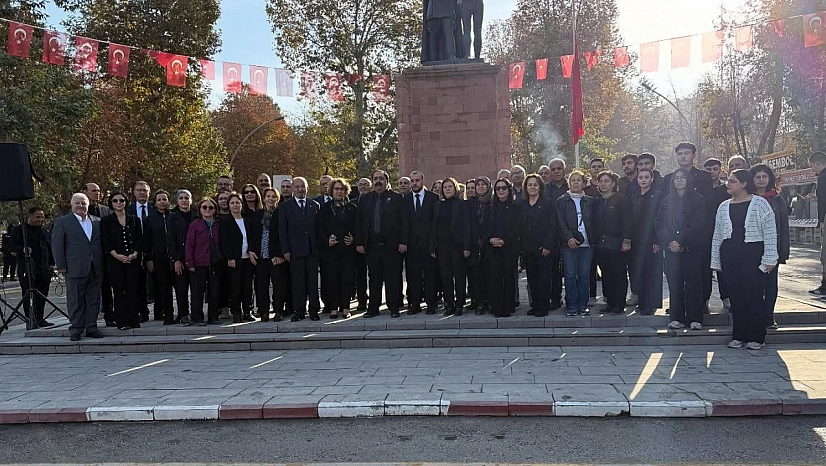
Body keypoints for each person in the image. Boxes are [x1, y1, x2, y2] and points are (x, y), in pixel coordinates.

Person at [711, 169, 778, 350]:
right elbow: (717, 235)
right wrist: (715, 260)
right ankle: (738, 335)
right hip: (730, 254)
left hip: (753, 252)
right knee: (736, 296)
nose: (728, 184)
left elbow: (770, 232)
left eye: (732, 181)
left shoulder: (760, 204)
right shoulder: (723, 206)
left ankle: (757, 336)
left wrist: (770, 257)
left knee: (754, 295)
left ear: (743, 184)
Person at [656, 168, 706, 331]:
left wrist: (680, 239)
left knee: (693, 282)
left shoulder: (698, 199)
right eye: (676, 178)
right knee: (674, 283)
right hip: (671, 249)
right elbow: (659, 223)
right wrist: (669, 241)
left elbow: (698, 225)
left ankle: (695, 318)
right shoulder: (666, 200)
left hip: (692, 247)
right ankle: (677, 317)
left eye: (682, 177)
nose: (679, 180)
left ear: (688, 180)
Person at [356, 170, 409, 318]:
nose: (378, 181)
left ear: (387, 181)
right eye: (375, 179)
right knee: (374, 278)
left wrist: (403, 241)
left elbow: (405, 222)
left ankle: (393, 307)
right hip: (372, 246)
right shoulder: (365, 199)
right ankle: (373, 307)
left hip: (392, 246)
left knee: (392, 277)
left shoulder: (397, 198)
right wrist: (360, 243)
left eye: (381, 179)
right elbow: (359, 223)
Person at [52, 193, 105, 341]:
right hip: (74, 268)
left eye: (83, 203)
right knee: (75, 300)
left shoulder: (97, 222)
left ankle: (91, 327)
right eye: (77, 203)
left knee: (93, 299)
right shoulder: (63, 222)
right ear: (71, 204)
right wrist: (61, 266)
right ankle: (76, 329)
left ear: (88, 205)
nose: (81, 206)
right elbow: (57, 245)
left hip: (95, 267)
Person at [751, 164, 789, 328]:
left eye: (764, 177)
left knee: (771, 284)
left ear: (769, 179)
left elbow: (783, 226)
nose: (761, 180)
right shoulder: (747, 197)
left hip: (772, 247)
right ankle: (754, 316)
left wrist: (783, 252)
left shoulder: (777, 199)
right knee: (753, 284)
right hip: (751, 247)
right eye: (757, 177)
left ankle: (768, 316)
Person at [279, 177, 322, 321]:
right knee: (298, 283)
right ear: (292, 189)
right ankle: (299, 311)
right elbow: (283, 230)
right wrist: (286, 250)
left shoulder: (314, 205)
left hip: (312, 250)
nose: (300, 189)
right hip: (295, 251)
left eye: (302, 186)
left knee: (312, 282)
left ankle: (314, 310)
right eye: (296, 187)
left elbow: (319, 228)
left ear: (307, 188)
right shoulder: (285, 207)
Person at [100, 191, 143, 331]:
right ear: (111, 203)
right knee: (119, 290)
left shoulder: (135, 219)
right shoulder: (106, 221)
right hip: (115, 261)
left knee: (132, 289)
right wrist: (117, 255)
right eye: (115, 201)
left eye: (121, 200)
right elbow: (106, 242)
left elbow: (139, 239)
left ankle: (133, 319)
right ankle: (122, 320)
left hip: (132, 259)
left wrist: (135, 253)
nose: (119, 203)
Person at [593, 171, 633, 315]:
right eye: (601, 181)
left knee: (619, 274)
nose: (603, 184)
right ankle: (609, 302)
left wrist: (626, 240)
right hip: (601, 245)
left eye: (606, 181)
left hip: (617, 243)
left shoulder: (622, 199)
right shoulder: (597, 201)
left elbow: (628, 221)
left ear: (613, 183)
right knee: (606, 275)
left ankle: (619, 304)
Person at [317, 178, 359, 319]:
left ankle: (346, 308)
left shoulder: (352, 208)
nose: (339, 191)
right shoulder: (324, 208)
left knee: (347, 279)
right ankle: (333, 308)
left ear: (346, 191)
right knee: (332, 279)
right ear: (331, 191)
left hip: (347, 250)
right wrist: (326, 240)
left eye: (341, 189)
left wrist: (353, 239)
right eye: (336, 189)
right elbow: (319, 229)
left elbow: (358, 227)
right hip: (330, 251)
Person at [431, 177, 471, 316]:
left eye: (450, 187)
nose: (448, 189)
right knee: (446, 276)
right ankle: (449, 304)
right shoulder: (437, 205)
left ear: (455, 189)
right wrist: (433, 247)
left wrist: (467, 247)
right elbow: (433, 228)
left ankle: (460, 304)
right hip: (442, 247)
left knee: (459, 276)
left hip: (458, 246)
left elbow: (467, 227)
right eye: (445, 187)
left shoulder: (462, 205)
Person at [248, 187, 289, 322]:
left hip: (275, 256)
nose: (270, 199)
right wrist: (252, 250)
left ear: (277, 199)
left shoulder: (281, 213)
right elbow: (252, 235)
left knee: (278, 285)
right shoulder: (257, 214)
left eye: (273, 196)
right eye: (268, 196)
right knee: (261, 286)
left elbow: (283, 235)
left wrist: (281, 255)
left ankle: (278, 311)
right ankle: (264, 312)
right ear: (264, 198)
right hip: (261, 256)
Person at [10, 207, 55, 328]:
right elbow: (11, 246)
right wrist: (22, 249)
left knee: (43, 293)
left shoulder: (43, 230)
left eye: (42, 217)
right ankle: (31, 320)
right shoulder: (19, 230)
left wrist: (52, 263)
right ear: (30, 216)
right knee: (29, 294)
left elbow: (49, 247)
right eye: (37, 217)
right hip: (27, 268)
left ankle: (40, 318)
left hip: (43, 268)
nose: (40, 220)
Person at [557, 171, 594, 316]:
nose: (576, 183)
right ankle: (571, 305)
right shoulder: (561, 201)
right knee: (570, 274)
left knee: (584, 274)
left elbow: (595, 221)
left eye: (579, 180)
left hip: (587, 244)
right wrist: (568, 238)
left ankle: (583, 304)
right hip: (569, 244)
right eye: (573, 180)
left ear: (584, 183)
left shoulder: (590, 201)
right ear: (569, 183)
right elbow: (560, 222)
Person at [522, 174, 558, 317]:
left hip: (544, 249)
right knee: (532, 279)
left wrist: (548, 245)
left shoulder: (548, 203)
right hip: (528, 249)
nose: (532, 187)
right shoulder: (523, 205)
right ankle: (535, 305)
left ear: (540, 187)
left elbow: (552, 226)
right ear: (526, 187)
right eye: (529, 185)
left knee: (544, 279)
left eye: (535, 185)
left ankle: (543, 307)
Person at [405, 171, 440, 315]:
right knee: (413, 275)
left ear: (423, 181)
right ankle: (415, 303)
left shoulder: (434, 198)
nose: (414, 183)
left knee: (430, 274)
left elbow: (436, 223)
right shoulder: (405, 199)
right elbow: (404, 223)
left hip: (428, 244)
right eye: (412, 181)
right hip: (412, 245)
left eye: (417, 180)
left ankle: (431, 303)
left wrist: (434, 244)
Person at [630, 168, 663, 315]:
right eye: (640, 177)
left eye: (646, 177)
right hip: (637, 241)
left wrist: (657, 239)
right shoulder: (634, 197)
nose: (643, 179)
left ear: (652, 179)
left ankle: (651, 304)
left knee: (652, 273)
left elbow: (660, 219)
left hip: (652, 241)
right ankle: (642, 303)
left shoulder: (658, 196)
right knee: (639, 273)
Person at [487, 177, 522, 318]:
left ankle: (508, 305)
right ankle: (497, 306)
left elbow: (517, 227)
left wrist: (505, 241)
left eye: (504, 188)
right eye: (498, 188)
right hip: (493, 247)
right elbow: (486, 226)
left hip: (509, 247)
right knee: (495, 277)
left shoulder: (516, 207)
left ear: (509, 190)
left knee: (508, 277)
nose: (501, 191)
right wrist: (491, 239)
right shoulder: (491, 207)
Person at [221, 192, 257, 323]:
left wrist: (252, 250)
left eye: (237, 202)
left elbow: (253, 238)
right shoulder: (225, 222)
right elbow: (224, 242)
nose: (235, 205)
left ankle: (248, 311)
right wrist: (230, 257)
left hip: (248, 259)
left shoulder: (248, 220)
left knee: (248, 287)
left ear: (242, 204)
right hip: (234, 260)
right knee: (235, 287)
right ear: (229, 205)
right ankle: (236, 313)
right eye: (232, 203)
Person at [186, 197, 222, 325]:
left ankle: (213, 316)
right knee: (197, 291)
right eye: (204, 207)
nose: (207, 209)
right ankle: (197, 317)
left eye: (210, 207)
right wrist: (190, 262)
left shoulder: (218, 224)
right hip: (198, 263)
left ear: (214, 210)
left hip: (215, 263)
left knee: (214, 291)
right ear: (200, 210)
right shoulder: (195, 225)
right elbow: (189, 245)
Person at [703, 158, 732, 309]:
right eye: (708, 169)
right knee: (705, 268)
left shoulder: (726, 190)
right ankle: (704, 298)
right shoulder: (700, 189)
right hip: (703, 233)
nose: (711, 172)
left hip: (723, 232)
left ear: (720, 170)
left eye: (714, 169)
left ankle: (726, 296)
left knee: (723, 266)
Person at [144, 190, 176, 325]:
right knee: (162, 286)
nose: (162, 202)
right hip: (158, 258)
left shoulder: (174, 217)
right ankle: (164, 314)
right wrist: (149, 259)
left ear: (169, 201)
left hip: (174, 257)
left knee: (175, 286)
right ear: (155, 203)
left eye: (164, 199)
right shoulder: (150, 219)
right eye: (159, 200)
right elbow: (146, 240)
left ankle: (175, 313)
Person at [127, 180, 156, 322]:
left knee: (155, 282)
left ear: (149, 193)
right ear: (134, 192)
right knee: (136, 283)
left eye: (145, 190)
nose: (142, 192)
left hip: (153, 251)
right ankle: (141, 312)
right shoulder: (128, 210)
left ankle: (159, 311)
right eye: (139, 190)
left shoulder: (155, 208)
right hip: (134, 252)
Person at [167, 189, 196, 324]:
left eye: (187, 198)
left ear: (191, 200)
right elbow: (170, 239)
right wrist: (176, 259)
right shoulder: (172, 217)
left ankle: (196, 314)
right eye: (181, 198)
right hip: (180, 257)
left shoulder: (197, 215)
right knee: (181, 288)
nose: (184, 200)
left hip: (196, 258)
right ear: (177, 201)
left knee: (196, 288)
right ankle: (183, 314)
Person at [545, 158, 569, 310]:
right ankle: (555, 298)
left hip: (570, 234)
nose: (556, 172)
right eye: (553, 169)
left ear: (564, 170)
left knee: (571, 270)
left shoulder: (572, 185)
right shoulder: (546, 189)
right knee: (553, 269)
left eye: (559, 169)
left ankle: (573, 298)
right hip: (551, 234)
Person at [468, 176, 492, 314]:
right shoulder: (470, 203)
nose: (481, 187)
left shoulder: (493, 202)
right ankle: (479, 302)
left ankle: (490, 301)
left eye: (484, 184)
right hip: (474, 245)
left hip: (489, 244)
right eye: (478, 184)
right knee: (476, 275)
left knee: (490, 274)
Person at [808, 152, 826, 296]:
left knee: (824, 255)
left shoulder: (822, 177)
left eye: (812, 166)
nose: (813, 170)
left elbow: (823, 201)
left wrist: (821, 220)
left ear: (818, 163)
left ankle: (824, 286)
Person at [354, 178, 372, 310]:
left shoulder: (374, 201)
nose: (363, 187)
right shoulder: (351, 203)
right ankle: (362, 300)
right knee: (360, 275)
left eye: (366, 185)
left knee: (374, 274)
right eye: (361, 185)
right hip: (357, 245)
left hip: (372, 244)